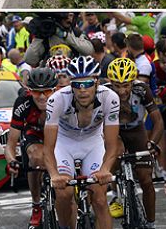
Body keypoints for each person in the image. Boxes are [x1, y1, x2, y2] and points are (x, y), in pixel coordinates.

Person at [44, 56, 120, 229]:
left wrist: (105, 169)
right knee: (64, 193)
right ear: (71, 85)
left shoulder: (110, 98)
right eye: (77, 85)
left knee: (99, 196)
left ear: (97, 83)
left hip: (93, 143)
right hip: (64, 143)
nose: (82, 91)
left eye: (87, 84)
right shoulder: (56, 100)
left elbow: (112, 145)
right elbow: (48, 149)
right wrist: (54, 175)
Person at [103, 58, 162, 226]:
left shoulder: (141, 89)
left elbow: (158, 121)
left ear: (132, 82)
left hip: (137, 133)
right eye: (117, 85)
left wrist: (153, 143)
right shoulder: (103, 92)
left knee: (146, 180)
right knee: (115, 155)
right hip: (115, 132)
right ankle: (116, 193)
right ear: (110, 82)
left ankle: (151, 222)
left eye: (126, 85)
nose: (122, 91)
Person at [6, 68, 58, 228]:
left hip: (58, 133)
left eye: (47, 91)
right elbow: (10, 144)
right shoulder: (23, 103)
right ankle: (36, 206)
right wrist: (11, 161)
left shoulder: (62, 99)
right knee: (34, 160)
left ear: (54, 89)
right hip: (34, 134)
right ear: (30, 91)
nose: (42, 96)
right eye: (37, 92)